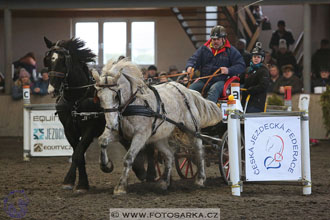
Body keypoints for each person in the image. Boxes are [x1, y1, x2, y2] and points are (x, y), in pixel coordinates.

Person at [186, 25, 245, 103]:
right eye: (213, 39)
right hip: (204, 79)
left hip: (221, 80)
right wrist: (190, 67)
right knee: (189, 91)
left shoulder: (231, 51)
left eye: (218, 39)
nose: (215, 41)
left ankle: (210, 113)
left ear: (224, 39)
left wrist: (228, 70)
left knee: (214, 90)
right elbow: (194, 59)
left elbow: (241, 66)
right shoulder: (204, 49)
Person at [239, 43, 270, 113]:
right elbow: (241, 79)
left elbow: (263, 86)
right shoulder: (248, 69)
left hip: (257, 102)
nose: (256, 58)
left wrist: (251, 90)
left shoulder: (263, 70)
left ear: (262, 59)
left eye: (258, 57)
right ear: (252, 58)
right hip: (245, 100)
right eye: (254, 56)